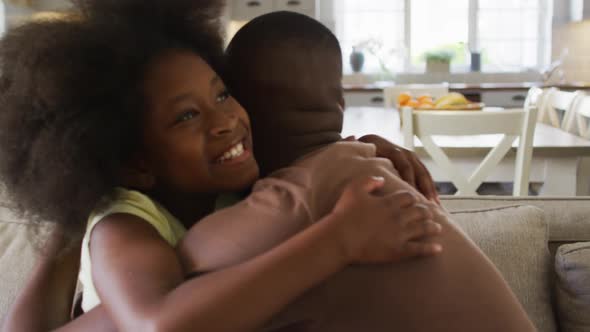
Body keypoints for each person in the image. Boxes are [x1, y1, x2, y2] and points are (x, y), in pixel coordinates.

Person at [0, 1, 442, 331]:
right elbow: (158, 325)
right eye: (187, 116)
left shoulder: (236, 187)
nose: (225, 121)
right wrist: (341, 240)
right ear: (138, 163)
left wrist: (365, 148)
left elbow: (311, 172)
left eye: (222, 94)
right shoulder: (124, 224)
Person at [176, 11, 537, 331]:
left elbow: (185, 263)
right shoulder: (369, 164)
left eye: (222, 97)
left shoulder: (296, 200)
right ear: (340, 104)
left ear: (243, 108)